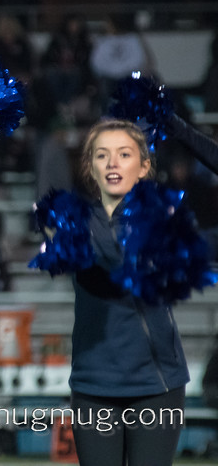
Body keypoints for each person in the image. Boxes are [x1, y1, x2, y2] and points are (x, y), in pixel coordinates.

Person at [32, 117, 208, 466]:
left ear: (144, 167)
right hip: (93, 384)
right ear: (90, 168)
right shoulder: (75, 222)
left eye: (124, 154)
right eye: (102, 155)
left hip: (157, 386)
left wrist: (181, 130)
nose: (112, 163)